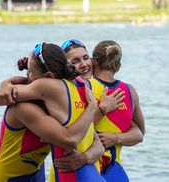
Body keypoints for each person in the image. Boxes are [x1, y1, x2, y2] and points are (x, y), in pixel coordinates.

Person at [0, 42, 106, 182]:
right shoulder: (22, 108)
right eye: (28, 73)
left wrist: (84, 158)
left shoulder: (56, 105)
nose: (29, 77)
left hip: (36, 175)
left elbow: (98, 145)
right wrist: (6, 83)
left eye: (30, 73)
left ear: (49, 77)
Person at [56, 39, 145, 182]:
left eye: (86, 58)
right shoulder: (127, 91)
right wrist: (103, 109)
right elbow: (139, 134)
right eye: (76, 61)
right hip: (96, 169)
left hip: (96, 169)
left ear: (94, 61)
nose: (84, 64)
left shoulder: (87, 88)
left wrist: (115, 138)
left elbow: (139, 133)